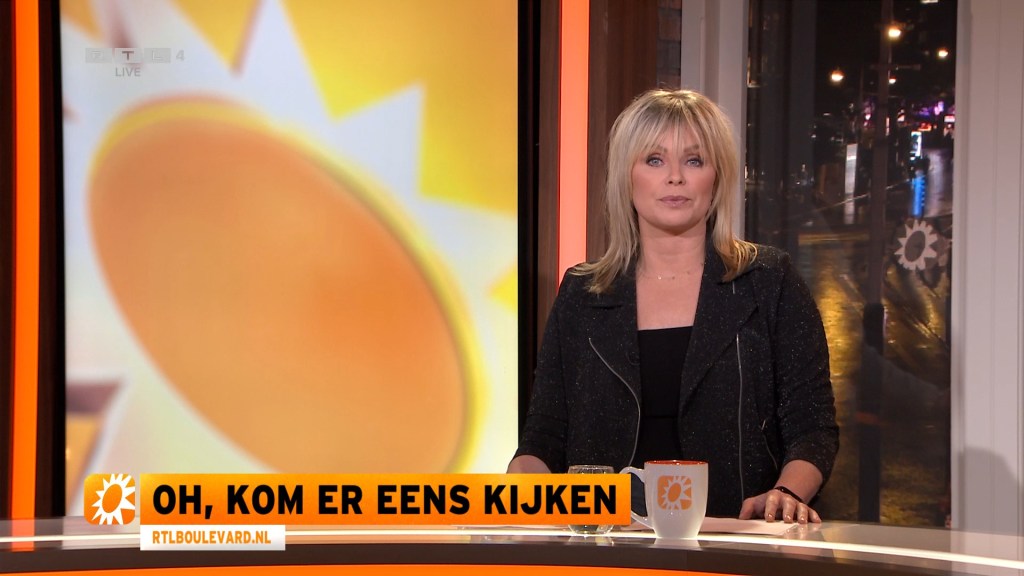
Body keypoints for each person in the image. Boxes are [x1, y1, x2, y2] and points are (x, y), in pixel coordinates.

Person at [508, 89, 838, 524]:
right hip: (609, 545)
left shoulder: (768, 281)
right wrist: (512, 494)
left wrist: (786, 493)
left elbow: (812, 426)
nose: (676, 177)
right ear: (626, 176)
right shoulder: (582, 292)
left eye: (694, 161)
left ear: (716, 177)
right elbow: (546, 435)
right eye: (655, 160)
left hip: (734, 539)